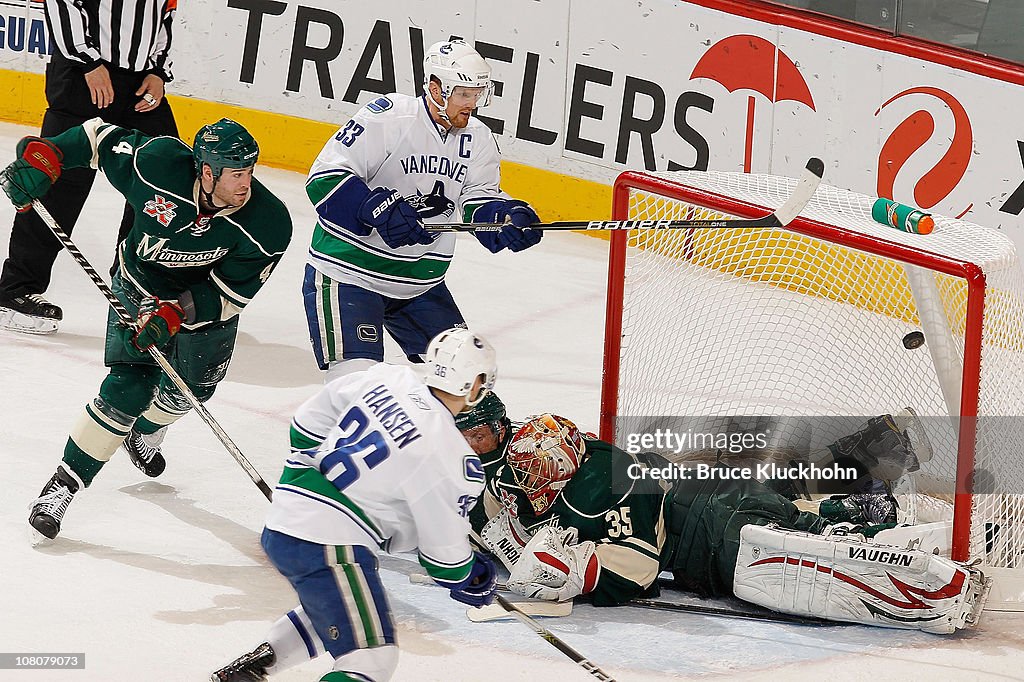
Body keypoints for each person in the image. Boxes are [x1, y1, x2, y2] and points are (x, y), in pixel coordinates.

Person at [0, 117, 293, 539]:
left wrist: (176, 314)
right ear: (206, 171)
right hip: (139, 284)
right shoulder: (157, 164)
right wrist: (45, 157)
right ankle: (62, 486)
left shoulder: (268, 223)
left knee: (191, 390)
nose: (246, 184)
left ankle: (149, 430)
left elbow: (231, 293)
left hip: (202, 305)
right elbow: (96, 138)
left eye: (249, 171)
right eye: (236, 174)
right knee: (129, 385)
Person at [460, 402, 989, 634]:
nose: (525, 486)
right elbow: (490, 508)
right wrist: (494, 538)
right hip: (709, 489)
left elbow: (639, 571)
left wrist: (579, 575)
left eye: (535, 476)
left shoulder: (603, 488)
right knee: (793, 502)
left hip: (717, 534)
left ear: (559, 467)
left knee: (793, 560)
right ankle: (870, 472)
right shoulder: (557, 461)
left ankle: (918, 562)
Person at [210, 327, 500, 682]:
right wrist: (470, 575)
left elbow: (304, 427)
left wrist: (318, 479)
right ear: (475, 385)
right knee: (372, 658)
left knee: (347, 607)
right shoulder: (450, 455)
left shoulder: (388, 377)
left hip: (285, 518)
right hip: (328, 541)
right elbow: (443, 560)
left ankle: (249, 671)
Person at [303, 39, 542, 383]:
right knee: (357, 390)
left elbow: (475, 199)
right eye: (463, 94)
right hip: (349, 274)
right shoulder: (388, 117)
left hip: (420, 286)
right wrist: (376, 209)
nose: (472, 104)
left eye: (477, 94)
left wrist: (501, 217)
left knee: (469, 388)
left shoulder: (479, 138)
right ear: (435, 88)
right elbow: (323, 179)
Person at [0, 0, 179, 334]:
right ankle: (15, 290)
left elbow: (164, 13)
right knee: (55, 181)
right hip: (83, 73)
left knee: (163, 176)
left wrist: (157, 71)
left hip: (140, 82)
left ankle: (135, 286)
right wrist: (88, 61)